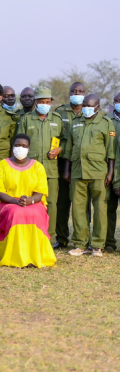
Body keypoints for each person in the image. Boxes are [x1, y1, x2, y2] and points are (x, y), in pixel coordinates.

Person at [0, 134, 56, 268]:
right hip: (8, 203)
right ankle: (16, 256)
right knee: (16, 213)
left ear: (29, 148)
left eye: (24, 146)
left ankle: (35, 256)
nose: (20, 148)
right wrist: (15, 202)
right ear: (12, 147)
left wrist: (30, 201)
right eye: (17, 145)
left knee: (36, 214)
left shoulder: (38, 167)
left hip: (32, 202)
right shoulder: (2, 165)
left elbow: (40, 192)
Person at [63, 94, 115, 257]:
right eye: (84, 105)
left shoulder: (106, 123)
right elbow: (69, 149)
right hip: (78, 172)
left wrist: (110, 172)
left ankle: (97, 245)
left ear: (98, 107)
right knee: (78, 209)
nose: (85, 108)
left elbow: (111, 151)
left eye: (89, 105)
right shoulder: (76, 122)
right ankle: (80, 243)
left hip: (99, 172)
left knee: (100, 209)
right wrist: (67, 170)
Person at [15, 87, 64, 245]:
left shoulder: (57, 119)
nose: (44, 104)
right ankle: (29, 236)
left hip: (51, 169)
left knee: (51, 204)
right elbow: (17, 143)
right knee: (28, 202)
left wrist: (60, 149)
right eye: (41, 102)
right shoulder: (26, 119)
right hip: (29, 168)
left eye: (47, 102)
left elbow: (65, 140)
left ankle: (48, 237)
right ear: (35, 102)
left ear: (51, 103)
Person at [53, 82, 86, 248]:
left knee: (82, 205)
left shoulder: (90, 112)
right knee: (62, 204)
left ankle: (84, 239)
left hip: (83, 165)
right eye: (74, 91)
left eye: (80, 91)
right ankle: (62, 238)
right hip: (62, 164)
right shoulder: (60, 112)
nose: (77, 93)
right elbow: (57, 138)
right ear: (69, 93)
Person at [108, 91, 120, 253]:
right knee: (108, 209)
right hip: (108, 171)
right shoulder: (107, 121)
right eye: (116, 100)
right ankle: (109, 241)